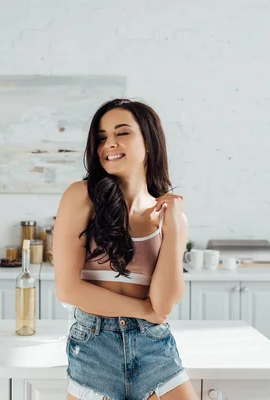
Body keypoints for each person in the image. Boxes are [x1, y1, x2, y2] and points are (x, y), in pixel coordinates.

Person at [52, 99, 197, 400]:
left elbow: (164, 303)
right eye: (102, 137)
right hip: (94, 347)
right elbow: (68, 289)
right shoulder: (82, 196)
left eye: (122, 133)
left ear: (149, 141)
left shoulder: (171, 216)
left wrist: (174, 230)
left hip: (154, 347)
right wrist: (142, 310)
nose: (109, 144)